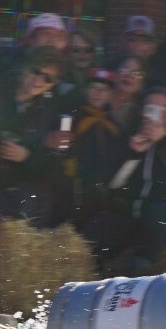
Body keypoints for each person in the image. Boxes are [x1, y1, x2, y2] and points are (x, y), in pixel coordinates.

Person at [86, 89, 166, 268]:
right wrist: (134, 154)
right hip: (135, 216)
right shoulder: (131, 132)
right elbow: (111, 183)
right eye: (148, 108)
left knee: (157, 214)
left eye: (157, 109)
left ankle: (137, 275)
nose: (150, 114)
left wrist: (164, 141)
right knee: (102, 223)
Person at [0, 46, 75, 229]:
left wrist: (26, 156)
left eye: (48, 78)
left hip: (10, 194)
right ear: (25, 67)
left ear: (53, 84)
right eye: (35, 71)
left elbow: (48, 164)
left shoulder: (49, 110)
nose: (39, 80)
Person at [71, 68, 125, 228]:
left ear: (110, 95)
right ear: (85, 90)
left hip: (104, 185)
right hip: (77, 184)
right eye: (93, 87)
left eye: (104, 89)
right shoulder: (75, 118)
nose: (98, 93)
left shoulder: (115, 127)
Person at [111, 55, 147, 131]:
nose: (129, 76)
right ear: (115, 74)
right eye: (125, 70)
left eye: (136, 73)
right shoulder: (99, 98)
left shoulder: (141, 112)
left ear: (141, 84)